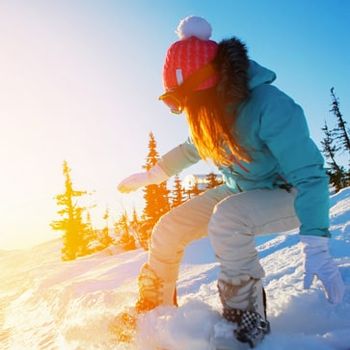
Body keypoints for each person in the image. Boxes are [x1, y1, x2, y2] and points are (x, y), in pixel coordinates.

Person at [117, 16, 345, 347]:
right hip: (241, 188)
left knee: (229, 219)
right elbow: (191, 148)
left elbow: (311, 176)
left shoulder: (271, 106)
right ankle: (155, 309)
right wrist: (153, 174)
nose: (185, 112)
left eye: (186, 102)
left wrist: (317, 244)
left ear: (212, 84)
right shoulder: (210, 111)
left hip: (288, 192)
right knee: (168, 228)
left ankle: (246, 316)